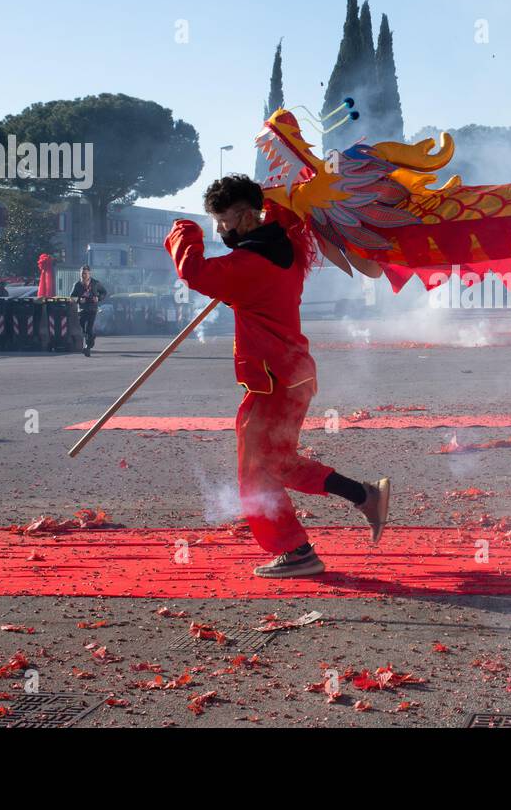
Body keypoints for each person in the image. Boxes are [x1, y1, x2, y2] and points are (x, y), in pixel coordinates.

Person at [165, 174, 390, 578]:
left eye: (221, 220)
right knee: (277, 463)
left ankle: (296, 550)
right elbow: (286, 212)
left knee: (256, 469)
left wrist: (185, 229)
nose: (219, 229)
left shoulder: (249, 263)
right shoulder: (283, 243)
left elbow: (194, 272)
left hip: (272, 379)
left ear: (245, 216)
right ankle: (363, 496)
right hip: (291, 375)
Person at [70, 265, 107, 356]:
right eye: (82, 273)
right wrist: (79, 300)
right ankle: (92, 337)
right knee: (83, 329)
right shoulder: (77, 285)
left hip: (92, 309)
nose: (83, 275)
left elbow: (104, 292)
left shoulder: (95, 283)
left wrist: (98, 298)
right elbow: (72, 297)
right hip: (82, 309)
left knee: (89, 328)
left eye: (85, 273)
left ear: (89, 274)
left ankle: (87, 347)